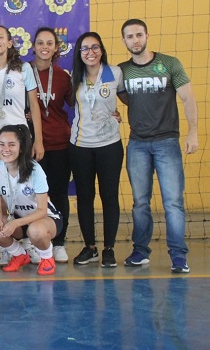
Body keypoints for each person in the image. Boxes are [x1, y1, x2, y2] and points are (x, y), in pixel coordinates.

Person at [118, 19, 198, 273]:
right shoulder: (122, 71)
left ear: (147, 35)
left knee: (173, 202)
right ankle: (141, 251)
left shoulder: (170, 64)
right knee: (140, 202)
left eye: (139, 35)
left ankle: (178, 256)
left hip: (167, 142)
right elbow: (118, 96)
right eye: (129, 37)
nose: (135, 40)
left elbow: (187, 98)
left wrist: (193, 132)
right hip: (138, 144)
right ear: (124, 41)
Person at [0, 25, 44, 266]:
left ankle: (28, 242)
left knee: (22, 190)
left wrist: (38, 139)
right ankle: (8, 246)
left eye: (0, 37)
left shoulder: (24, 69)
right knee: (1, 192)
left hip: (21, 136)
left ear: (9, 43)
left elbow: (34, 105)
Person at [69, 32, 125, 268]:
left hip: (109, 145)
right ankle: (90, 247)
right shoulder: (74, 76)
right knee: (85, 197)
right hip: (81, 145)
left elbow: (128, 98)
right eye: (85, 49)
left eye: (94, 47)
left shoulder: (116, 73)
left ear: (101, 49)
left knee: (109, 196)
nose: (90, 52)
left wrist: (119, 114)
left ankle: (109, 249)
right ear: (79, 54)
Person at [0, 125, 62, 275]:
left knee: (36, 230)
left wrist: (15, 223)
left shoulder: (35, 170)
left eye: (11, 144)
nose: (5, 149)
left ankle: (47, 258)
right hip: (18, 221)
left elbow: (42, 210)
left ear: (21, 148)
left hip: (45, 219)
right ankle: (19, 255)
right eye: (2, 144)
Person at [26, 27, 74, 264]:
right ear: (33, 46)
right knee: (30, 196)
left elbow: (83, 103)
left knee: (58, 194)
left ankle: (60, 243)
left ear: (56, 48)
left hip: (59, 144)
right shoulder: (23, 72)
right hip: (30, 146)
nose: (45, 47)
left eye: (50, 43)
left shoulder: (63, 76)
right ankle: (34, 243)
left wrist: (109, 111)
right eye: (40, 43)